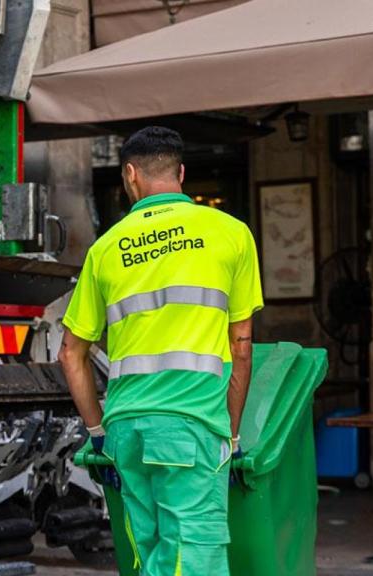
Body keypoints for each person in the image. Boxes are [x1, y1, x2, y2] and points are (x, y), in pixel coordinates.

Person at [58, 126, 262, 575]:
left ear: (130, 175)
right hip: (192, 427)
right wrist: (229, 434)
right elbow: (241, 346)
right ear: (181, 172)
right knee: (193, 559)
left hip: (127, 430)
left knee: (150, 556)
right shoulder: (230, 233)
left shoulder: (105, 248)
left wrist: (97, 433)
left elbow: (71, 352)